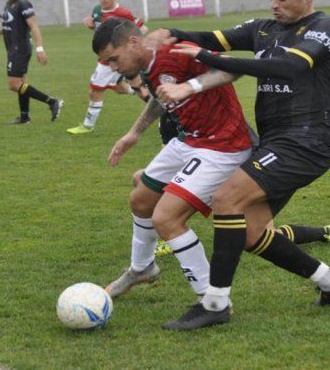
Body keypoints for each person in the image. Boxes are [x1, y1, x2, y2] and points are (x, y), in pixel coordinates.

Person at [149, 0, 330, 330]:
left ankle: (215, 303)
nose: (275, 4)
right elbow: (211, 37)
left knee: (226, 199)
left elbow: (291, 67)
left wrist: (208, 58)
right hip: (275, 143)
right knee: (251, 232)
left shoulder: (326, 28)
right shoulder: (263, 29)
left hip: (308, 142)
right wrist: (169, 32)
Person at [92, 17, 252, 302]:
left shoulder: (174, 51)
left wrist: (190, 86)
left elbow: (232, 67)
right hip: (189, 140)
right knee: (141, 200)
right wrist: (134, 132)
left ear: (133, 42)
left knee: (166, 218)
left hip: (222, 144)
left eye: (114, 59)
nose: (113, 68)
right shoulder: (146, 65)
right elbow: (160, 97)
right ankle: (142, 268)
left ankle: (212, 300)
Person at [67, 0, 149, 135]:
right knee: (122, 88)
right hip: (107, 58)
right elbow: (100, 30)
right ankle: (161, 106)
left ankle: (87, 126)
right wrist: (90, 24)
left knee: (95, 90)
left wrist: (128, 47)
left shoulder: (123, 13)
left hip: (113, 60)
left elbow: (142, 28)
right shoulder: (97, 10)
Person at [0, 0, 63, 124]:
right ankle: (25, 117)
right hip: (14, 48)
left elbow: (34, 26)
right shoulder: (9, 3)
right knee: (22, 83)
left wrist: (40, 49)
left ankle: (52, 101)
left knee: (13, 84)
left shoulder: (23, 3)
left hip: (20, 48)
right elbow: (9, 26)